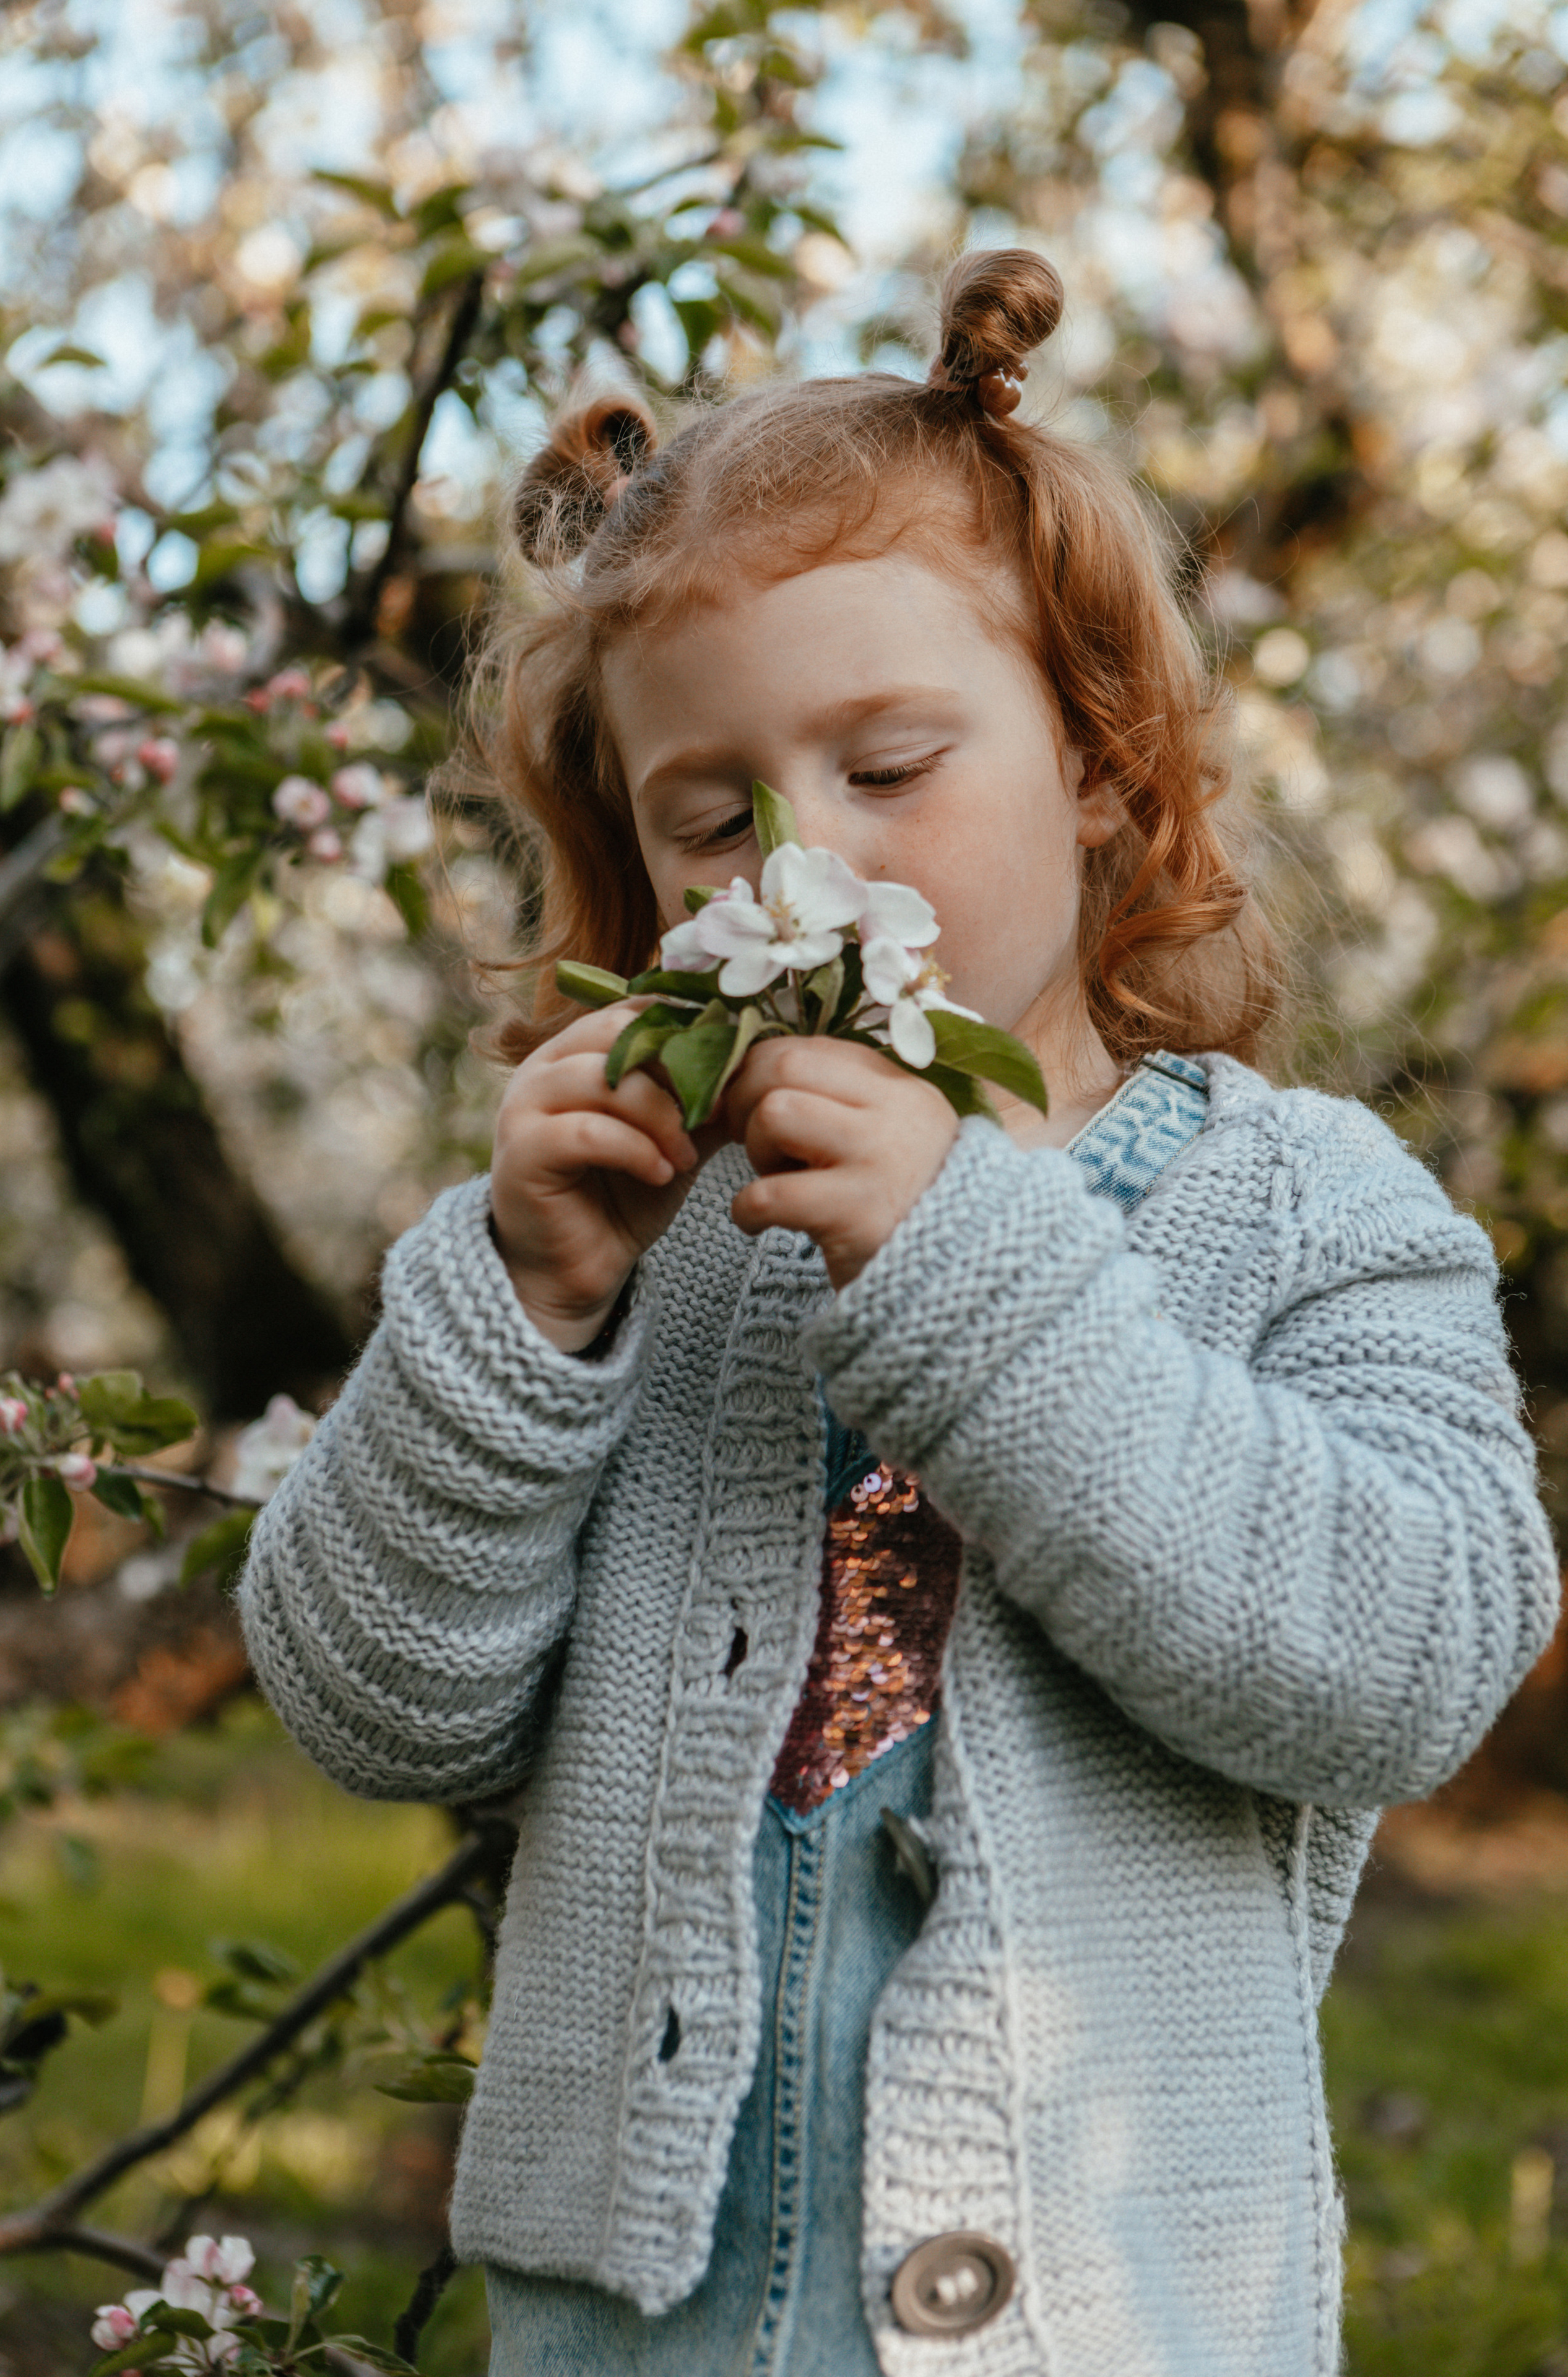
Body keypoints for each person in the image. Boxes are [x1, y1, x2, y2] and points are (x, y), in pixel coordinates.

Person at [239, 249, 1558, 2377]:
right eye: (710, 818)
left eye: (888, 766)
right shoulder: (632, 1250)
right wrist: (517, 1314)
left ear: (1103, 768)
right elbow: (372, 1701)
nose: (795, 870)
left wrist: (964, 1263)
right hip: (639, 2325)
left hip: (1117, 2307)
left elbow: (1404, 1665)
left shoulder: (1300, 1202)